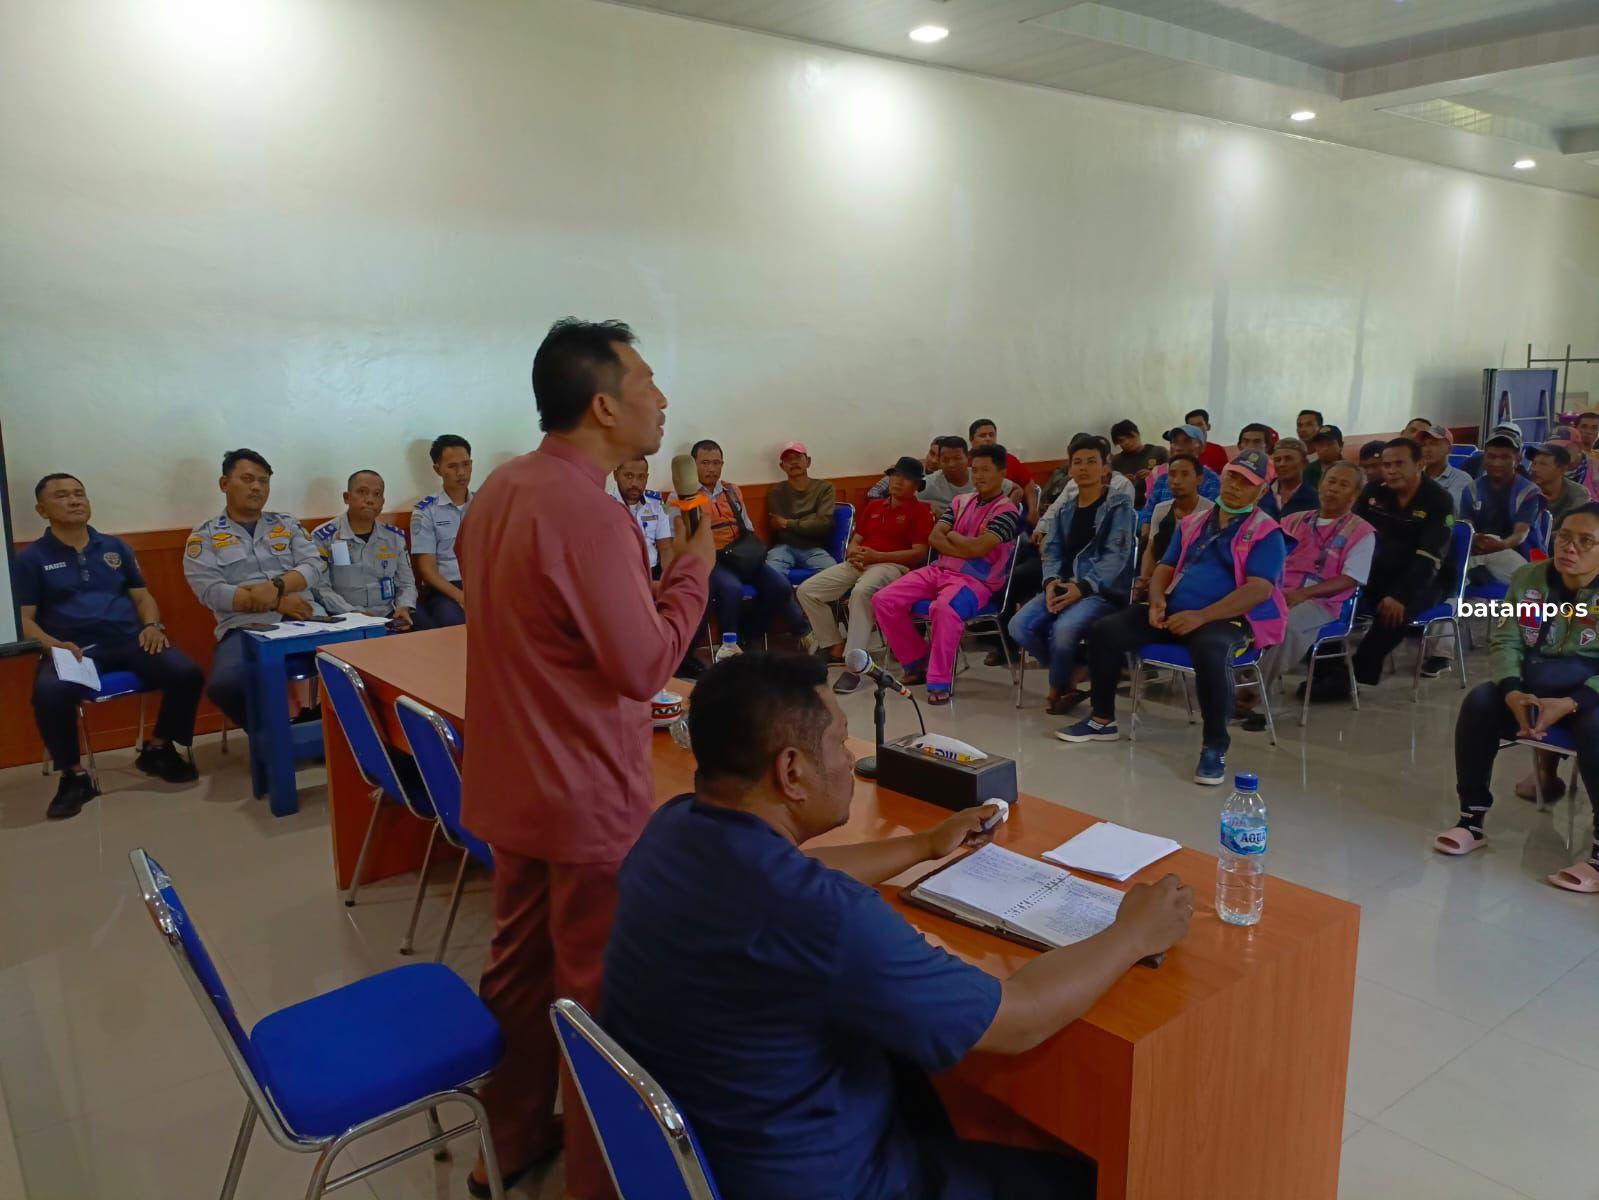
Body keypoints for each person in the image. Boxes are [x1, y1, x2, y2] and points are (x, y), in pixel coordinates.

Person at [600, 651, 1193, 1200]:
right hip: (826, 1181)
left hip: (717, 1152)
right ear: (792, 772)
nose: (846, 761)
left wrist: (923, 845)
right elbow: (1019, 1018)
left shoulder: (673, 829)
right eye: (838, 742)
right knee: (1086, 1180)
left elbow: (801, 873)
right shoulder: (824, 918)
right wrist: (1133, 933)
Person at [457, 318, 712, 1199]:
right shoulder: (591, 513)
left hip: (512, 781)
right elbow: (641, 667)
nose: (661, 400)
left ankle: (509, 1138)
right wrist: (691, 572)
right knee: (598, 993)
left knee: (519, 969)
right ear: (603, 404)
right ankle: (604, 1180)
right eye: (647, 383)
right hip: (583, 796)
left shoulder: (501, 487)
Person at [1060, 449, 1287, 786]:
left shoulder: (1267, 533)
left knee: (1211, 652)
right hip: (1175, 610)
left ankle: (1214, 746)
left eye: (1246, 482)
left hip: (1228, 619)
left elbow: (1258, 590)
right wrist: (1156, 601)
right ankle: (1102, 718)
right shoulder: (1194, 522)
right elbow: (1165, 567)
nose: (1235, 486)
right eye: (1232, 477)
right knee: (1105, 630)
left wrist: (1202, 616)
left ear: (1262, 490)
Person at [1434, 504, 1599, 896]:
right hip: (1535, 683)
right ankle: (1471, 820)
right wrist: (1511, 690)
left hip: (1590, 692)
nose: (1569, 548)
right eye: (1563, 537)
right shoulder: (1530, 578)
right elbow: (1508, 639)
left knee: (1596, 728)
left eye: (1586, 541)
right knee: (1479, 703)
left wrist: (1572, 702)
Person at [18, 474, 203, 819]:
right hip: (74, 650)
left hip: (129, 640)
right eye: (62, 496)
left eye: (79, 493)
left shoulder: (115, 548)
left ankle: (158, 749)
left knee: (186, 673)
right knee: (49, 692)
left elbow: (143, 597)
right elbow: (24, 619)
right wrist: (53, 645)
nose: (74, 500)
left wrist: (152, 625)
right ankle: (73, 776)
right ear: (42, 510)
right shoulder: (31, 559)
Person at [183, 449, 324, 729]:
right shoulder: (204, 535)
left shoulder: (287, 524)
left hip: (306, 617)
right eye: (247, 479)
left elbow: (314, 565)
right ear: (224, 484)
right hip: (245, 627)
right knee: (225, 686)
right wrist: (277, 602)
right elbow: (210, 591)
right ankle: (273, 738)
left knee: (358, 665)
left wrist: (276, 586)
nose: (257, 487)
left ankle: (332, 733)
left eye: (264, 481)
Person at [873, 445, 1022, 705]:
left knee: (943, 608)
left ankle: (939, 681)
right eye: (975, 470)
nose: (979, 476)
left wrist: (951, 536)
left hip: (977, 582)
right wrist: (963, 544)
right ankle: (917, 661)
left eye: (986, 470)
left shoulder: (1007, 512)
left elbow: (978, 549)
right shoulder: (960, 502)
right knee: (883, 599)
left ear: (1002, 473)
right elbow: (934, 538)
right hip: (939, 570)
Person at [1008, 434, 1136, 715]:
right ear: (1070, 468)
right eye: (1077, 462)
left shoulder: (1119, 506)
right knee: (1018, 626)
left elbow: (1115, 558)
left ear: (1105, 468)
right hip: (1064, 585)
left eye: (1092, 462)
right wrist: (1051, 582)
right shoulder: (1065, 509)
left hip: (1101, 591)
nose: (1084, 468)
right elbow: (1052, 551)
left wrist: (1082, 588)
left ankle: (1059, 687)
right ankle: (1075, 666)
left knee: (1063, 629)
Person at [796, 456, 935, 694]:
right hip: (861, 561)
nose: (897, 482)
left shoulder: (920, 511)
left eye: (905, 479)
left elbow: (919, 553)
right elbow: (857, 539)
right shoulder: (874, 506)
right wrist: (853, 552)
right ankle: (834, 646)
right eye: (895, 476)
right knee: (807, 591)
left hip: (893, 566)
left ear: (916, 485)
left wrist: (877, 557)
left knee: (861, 592)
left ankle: (855, 667)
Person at [1257, 462, 1375, 711]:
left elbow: (1350, 579)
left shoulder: (1362, 532)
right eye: (1330, 481)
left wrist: (1303, 594)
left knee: (1286, 625)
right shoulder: (1292, 521)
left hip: (1324, 602)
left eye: (1343, 485)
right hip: (1278, 592)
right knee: (1237, 610)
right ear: (1320, 485)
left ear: (1354, 495)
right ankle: (1233, 679)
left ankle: (1254, 693)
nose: (1334, 489)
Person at [678, 439, 807, 653]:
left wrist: (752, 554)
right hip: (713, 560)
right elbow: (682, 538)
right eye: (705, 463)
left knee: (780, 587)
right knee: (731, 589)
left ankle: (749, 632)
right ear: (693, 465)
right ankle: (729, 646)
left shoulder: (731, 490)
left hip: (741, 554)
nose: (711, 469)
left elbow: (747, 526)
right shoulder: (684, 496)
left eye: (716, 463)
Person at [1349, 439, 1453, 687]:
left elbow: (1429, 557)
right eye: (1387, 465)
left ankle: (1358, 675)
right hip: (1379, 571)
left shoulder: (1439, 499)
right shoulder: (1374, 491)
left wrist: (1400, 596)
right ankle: (1327, 663)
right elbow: (1351, 531)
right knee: (1335, 596)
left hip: (1427, 578)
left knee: (1394, 611)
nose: (1391, 471)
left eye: (1399, 464)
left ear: (1419, 464)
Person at [310, 470, 426, 630]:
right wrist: (353, 613)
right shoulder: (323, 537)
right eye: (362, 492)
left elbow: (406, 582)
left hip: (389, 613)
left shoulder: (394, 537)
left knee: (432, 631)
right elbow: (320, 588)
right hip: (343, 616)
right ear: (346, 497)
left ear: (382, 501)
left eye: (377, 494)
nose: (370, 500)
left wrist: (404, 607)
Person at [1460, 425, 1544, 584]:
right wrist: (1475, 538)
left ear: (1518, 460)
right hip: (1480, 551)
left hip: (1522, 555)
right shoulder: (1471, 489)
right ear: (1484, 458)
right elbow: (1467, 526)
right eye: (1491, 456)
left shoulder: (1529, 491)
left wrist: (1500, 545)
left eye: (1505, 457)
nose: (1497, 462)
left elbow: (1521, 534)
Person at [411, 433, 474, 627]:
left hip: (482, 585)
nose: (461, 473)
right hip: (446, 590)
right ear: (437, 469)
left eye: (466, 464)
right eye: (452, 466)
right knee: (452, 620)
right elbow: (427, 570)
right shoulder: (425, 511)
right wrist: (461, 597)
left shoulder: (485, 504)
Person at [1135, 454, 1213, 601]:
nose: (1176, 481)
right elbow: (1151, 549)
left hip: (1191, 584)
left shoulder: (1210, 513)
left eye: (1185, 474)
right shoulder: (1161, 509)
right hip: (1159, 579)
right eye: (1172, 474)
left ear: (1199, 479)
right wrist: (1145, 579)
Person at [765, 442, 839, 575]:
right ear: (782, 466)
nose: (794, 462)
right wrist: (811, 520)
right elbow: (778, 526)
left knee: (836, 574)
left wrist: (788, 523)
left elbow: (823, 524)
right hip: (783, 547)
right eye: (788, 459)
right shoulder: (776, 491)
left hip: (814, 548)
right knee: (770, 575)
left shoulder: (825, 488)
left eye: (798, 457)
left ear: (808, 461)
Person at [1137, 424, 1220, 530]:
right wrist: (1147, 525)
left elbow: (1209, 518)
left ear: (1202, 447)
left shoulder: (1211, 480)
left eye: (1186, 441)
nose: (1178, 447)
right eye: (1174, 442)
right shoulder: (1162, 479)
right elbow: (1149, 510)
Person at [920, 435, 1023, 517]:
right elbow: (910, 497)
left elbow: (1017, 489)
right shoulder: (930, 483)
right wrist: (928, 504)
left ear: (967, 458)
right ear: (939, 461)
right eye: (945, 460)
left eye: (957, 458)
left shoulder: (980, 477)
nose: (951, 464)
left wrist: (1005, 512)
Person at [610, 456, 674, 576]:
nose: (635, 483)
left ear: (647, 478)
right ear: (615, 475)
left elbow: (665, 547)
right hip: (618, 574)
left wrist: (669, 578)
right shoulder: (604, 505)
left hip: (652, 571)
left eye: (641, 477)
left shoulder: (657, 503)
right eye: (629, 476)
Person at [969, 418, 1036, 520]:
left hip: (1010, 513)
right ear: (971, 439)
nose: (988, 438)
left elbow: (1028, 485)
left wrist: (1033, 510)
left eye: (991, 435)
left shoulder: (1008, 459)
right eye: (982, 435)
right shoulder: (964, 461)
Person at [1528, 441, 1589, 526]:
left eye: (1543, 464)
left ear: (1562, 469)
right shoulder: (1525, 489)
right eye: (1534, 463)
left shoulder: (1578, 494)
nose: (1534, 469)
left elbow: (1573, 528)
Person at [1109, 419, 1167, 507]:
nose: (1127, 442)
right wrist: (1122, 481)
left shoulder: (1159, 452)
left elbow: (1171, 476)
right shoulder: (1116, 460)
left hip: (1156, 504)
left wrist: (1153, 476)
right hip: (1127, 506)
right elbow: (1110, 486)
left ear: (1138, 434)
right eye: (1121, 441)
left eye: (1130, 437)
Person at [1415, 424, 1470, 513]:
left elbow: (1452, 513)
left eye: (1434, 444)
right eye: (1423, 445)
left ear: (1449, 449)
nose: (1426, 449)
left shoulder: (1462, 479)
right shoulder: (1414, 476)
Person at [866, 439, 940, 500]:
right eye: (932, 453)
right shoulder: (909, 466)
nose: (934, 460)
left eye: (940, 457)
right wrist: (887, 507)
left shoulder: (943, 480)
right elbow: (873, 492)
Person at [1267, 438, 1319, 517]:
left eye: (1289, 459)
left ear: (1304, 463)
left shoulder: (1314, 499)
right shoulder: (1262, 494)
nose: (1282, 464)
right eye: (1277, 460)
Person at [1559, 418, 1599, 501]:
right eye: (1584, 426)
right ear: (1575, 428)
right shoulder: (1566, 456)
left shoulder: (1596, 458)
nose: (1589, 431)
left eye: (1594, 428)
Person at [1185, 408, 1230, 473]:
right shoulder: (1182, 451)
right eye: (1192, 426)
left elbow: (1225, 476)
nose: (1196, 429)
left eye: (1199, 424)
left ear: (1208, 426)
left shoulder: (1218, 451)